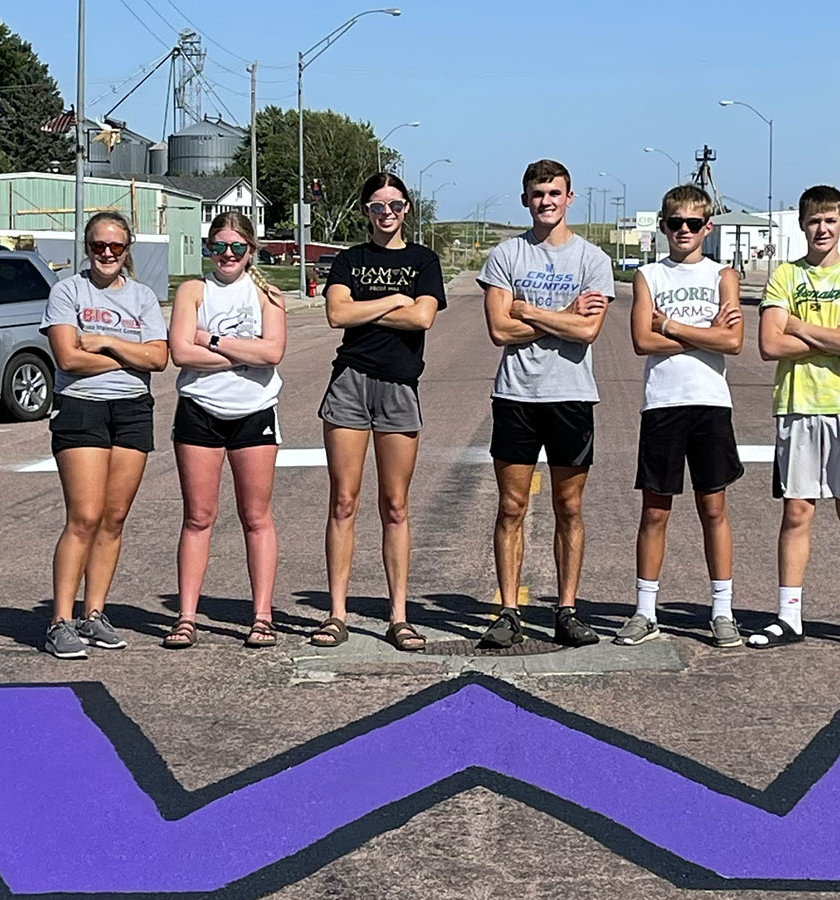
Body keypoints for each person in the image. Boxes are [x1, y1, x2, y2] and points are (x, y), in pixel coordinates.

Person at [478, 159, 614, 649]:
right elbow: (499, 331)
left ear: (569, 198)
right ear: (525, 199)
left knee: (568, 507)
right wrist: (563, 315)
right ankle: (509, 611)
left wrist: (530, 310)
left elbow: (589, 330)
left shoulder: (593, 261)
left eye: (555, 193)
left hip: (571, 397)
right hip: (515, 396)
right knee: (511, 507)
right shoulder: (505, 256)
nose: (547, 201)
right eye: (538, 194)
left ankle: (567, 609)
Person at [748, 185, 840, 653]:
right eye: (813, 221)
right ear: (802, 225)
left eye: (830, 220)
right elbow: (770, 345)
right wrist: (835, 335)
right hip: (797, 405)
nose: (822, 229)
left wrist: (801, 327)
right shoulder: (785, 275)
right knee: (797, 510)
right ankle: (789, 615)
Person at [318, 173, 446, 652]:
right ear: (366, 212)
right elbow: (336, 315)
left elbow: (423, 317)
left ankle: (398, 616)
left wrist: (365, 306)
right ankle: (336, 614)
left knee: (395, 506)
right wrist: (395, 298)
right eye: (376, 205)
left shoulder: (423, 260)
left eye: (394, 203)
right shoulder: (351, 259)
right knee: (344, 502)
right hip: (350, 384)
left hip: (399, 386)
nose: (386, 212)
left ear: (407, 208)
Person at [617, 184, 746, 648]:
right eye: (676, 224)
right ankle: (645, 610)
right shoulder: (648, 276)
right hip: (664, 404)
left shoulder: (723, 275)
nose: (685, 231)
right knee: (655, 511)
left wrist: (670, 324)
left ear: (707, 227)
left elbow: (732, 342)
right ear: (664, 226)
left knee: (714, 508)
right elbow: (641, 342)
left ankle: (722, 610)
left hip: (710, 402)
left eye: (694, 224)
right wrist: (704, 332)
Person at [40, 211, 170, 660]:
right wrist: (131, 357)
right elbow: (69, 359)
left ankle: (93, 614)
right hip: (82, 408)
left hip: (132, 410)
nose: (108, 253)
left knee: (114, 518)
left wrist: (109, 343)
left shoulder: (143, 297)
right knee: (85, 516)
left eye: (116, 246)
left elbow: (160, 359)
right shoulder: (67, 292)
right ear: (87, 248)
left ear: (128, 248)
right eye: (99, 246)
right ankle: (60, 620)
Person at [165, 212, 289, 650]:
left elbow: (273, 352)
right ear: (208, 249)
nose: (228, 256)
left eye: (237, 247)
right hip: (199, 410)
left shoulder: (267, 295)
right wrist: (244, 355)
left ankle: (261, 616)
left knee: (256, 516)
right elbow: (180, 352)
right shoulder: (193, 292)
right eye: (219, 247)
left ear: (251, 250)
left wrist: (212, 342)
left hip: (254, 412)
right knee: (198, 517)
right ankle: (185, 617)